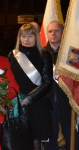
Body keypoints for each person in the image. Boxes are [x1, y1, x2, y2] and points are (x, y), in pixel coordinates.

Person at [8, 23, 53, 150]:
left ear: (36, 37)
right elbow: (8, 79)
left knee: (35, 141)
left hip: (37, 102)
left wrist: (29, 98)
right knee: (19, 140)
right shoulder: (13, 55)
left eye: (30, 36)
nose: (26, 39)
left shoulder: (45, 54)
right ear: (19, 38)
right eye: (23, 36)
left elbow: (47, 83)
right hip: (17, 103)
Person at [45, 21, 79, 150]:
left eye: (56, 30)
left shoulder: (71, 54)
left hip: (67, 101)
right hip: (48, 102)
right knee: (51, 137)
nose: (53, 34)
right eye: (50, 31)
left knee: (72, 136)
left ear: (62, 32)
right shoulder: (42, 53)